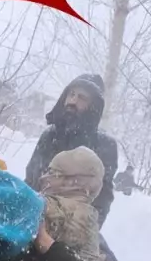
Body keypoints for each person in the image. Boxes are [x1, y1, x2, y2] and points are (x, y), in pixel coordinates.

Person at [24, 73, 118, 224]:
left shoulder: (105, 145)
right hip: (36, 217)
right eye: (71, 94)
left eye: (82, 98)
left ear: (93, 106)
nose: (73, 101)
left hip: (75, 225)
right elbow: (31, 181)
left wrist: (80, 230)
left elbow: (102, 199)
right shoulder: (49, 136)